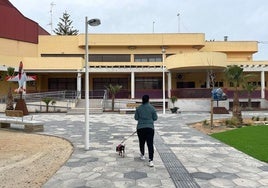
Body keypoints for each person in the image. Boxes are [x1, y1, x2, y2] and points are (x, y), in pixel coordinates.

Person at [134, 95, 158, 167]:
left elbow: (136, 117)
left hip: (140, 128)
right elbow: (155, 118)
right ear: (148, 100)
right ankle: (151, 160)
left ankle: (142, 154)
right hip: (150, 128)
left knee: (141, 142)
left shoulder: (138, 108)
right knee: (150, 144)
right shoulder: (152, 108)